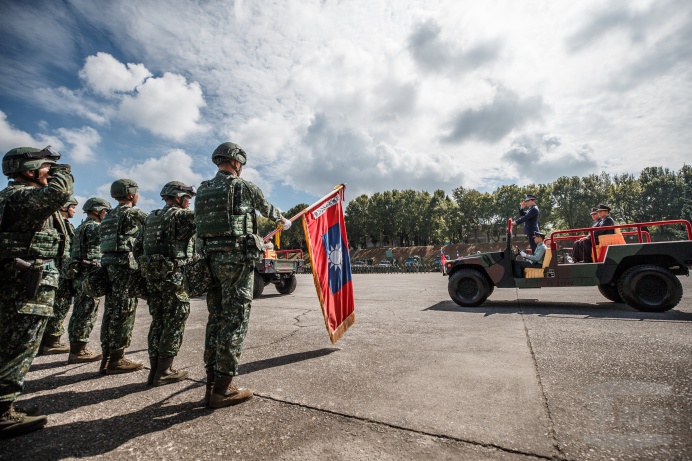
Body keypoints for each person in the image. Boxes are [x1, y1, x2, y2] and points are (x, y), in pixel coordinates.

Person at [195, 142, 290, 408]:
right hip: (235, 261)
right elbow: (266, 208)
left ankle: (211, 382)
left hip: (209, 261)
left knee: (215, 319)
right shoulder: (243, 187)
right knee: (234, 320)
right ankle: (222, 390)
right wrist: (283, 220)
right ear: (237, 162)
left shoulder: (203, 189)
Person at [0, 146, 72, 438]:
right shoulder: (20, 196)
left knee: (11, 343)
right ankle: (3, 413)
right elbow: (59, 193)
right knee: (18, 346)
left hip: (18, 281)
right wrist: (62, 173)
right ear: (29, 171)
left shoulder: (14, 197)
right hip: (24, 285)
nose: (51, 172)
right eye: (46, 167)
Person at [140, 181, 196, 387]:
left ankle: (154, 371)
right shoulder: (181, 216)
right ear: (178, 197)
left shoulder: (150, 217)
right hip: (174, 278)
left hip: (153, 277)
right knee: (174, 322)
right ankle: (164, 371)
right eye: (187, 198)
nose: (189, 202)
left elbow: (139, 247)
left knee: (158, 321)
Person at [98, 179, 148, 374]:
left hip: (108, 266)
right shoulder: (132, 213)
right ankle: (117, 360)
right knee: (124, 310)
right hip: (125, 267)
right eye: (136, 192)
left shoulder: (108, 216)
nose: (138, 196)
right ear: (130, 194)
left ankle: (107, 356)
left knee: (111, 310)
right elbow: (153, 225)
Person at [65, 197, 111, 364]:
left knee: (79, 311)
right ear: (97, 211)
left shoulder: (80, 228)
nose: (106, 214)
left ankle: (76, 347)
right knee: (86, 312)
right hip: (90, 274)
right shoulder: (94, 228)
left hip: (79, 273)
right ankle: (78, 350)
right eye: (105, 211)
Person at [40, 197, 78, 355]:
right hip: (58, 269)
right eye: (72, 207)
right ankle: (52, 341)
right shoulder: (58, 224)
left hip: (59, 268)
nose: (74, 210)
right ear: (64, 207)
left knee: (58, 304)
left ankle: (47, 340)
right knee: (59, 305)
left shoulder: (64, 224)